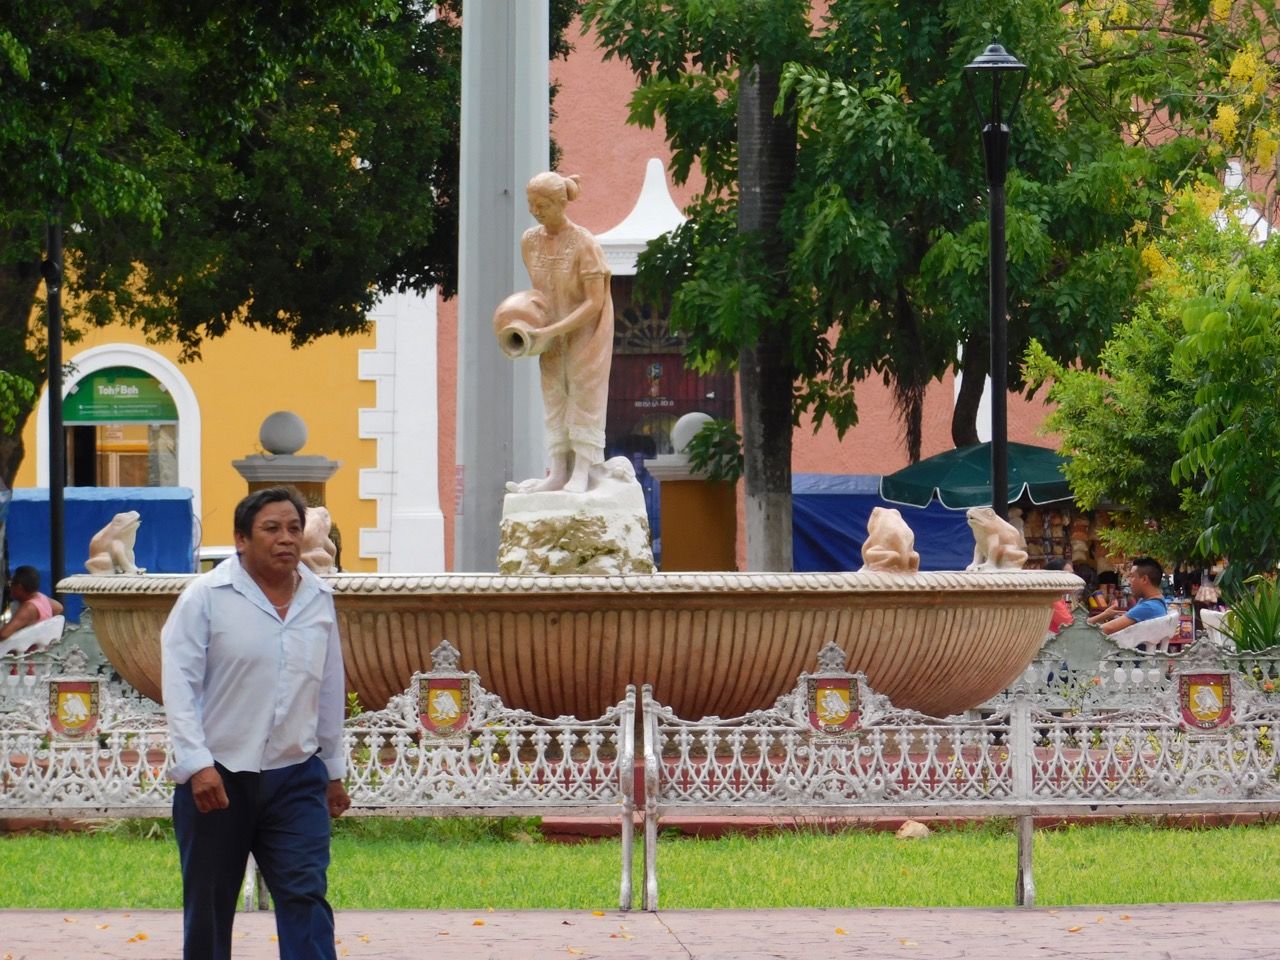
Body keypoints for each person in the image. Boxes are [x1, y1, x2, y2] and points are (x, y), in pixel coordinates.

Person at [161, 486, 350, 960]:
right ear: (241, 538)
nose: (286, 539)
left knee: (305, 894)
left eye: (293, 528)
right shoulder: (205, 597)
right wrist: (197, 764)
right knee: (209, 905)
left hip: (296, 777)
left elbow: (328, 687)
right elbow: (179, 685)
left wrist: (332, 770)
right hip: (218, 778)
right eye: (271, 529)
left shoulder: (319, 599)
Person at [512, 171, 615, 494]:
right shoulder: (530, 241)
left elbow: (595, 302)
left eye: (541, 205)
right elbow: (539, 292)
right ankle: (557, 472)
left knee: (583, 393)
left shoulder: (584, 243)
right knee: (554, 394)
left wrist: (556, 328)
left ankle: (582, 471)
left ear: (560, 203)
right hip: (549, 336)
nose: (535, 211)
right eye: (531, 204)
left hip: (585, 332)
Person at [1086, 556, 1167, 635]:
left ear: (1144, 579)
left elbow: (1106, 629)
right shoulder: (1158, 601)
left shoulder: (1148, 607)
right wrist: (1106, 615)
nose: (1129, 581)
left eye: (1132, 576)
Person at [0, 565, 64, 642]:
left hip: (26, 650)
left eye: (11, 584)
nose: (10, 588)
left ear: (19, 587)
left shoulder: (29, 608)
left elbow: (3, 634)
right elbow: (59, 607)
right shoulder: (40, 597)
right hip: (41, 646)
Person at [1044, 557, 1075, 633]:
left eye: (1073, 574)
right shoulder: (1052, 599)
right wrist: (1105, 614)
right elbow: (1072, 628)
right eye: (1068, 576)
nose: (1074, 579)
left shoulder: (1058, 597)